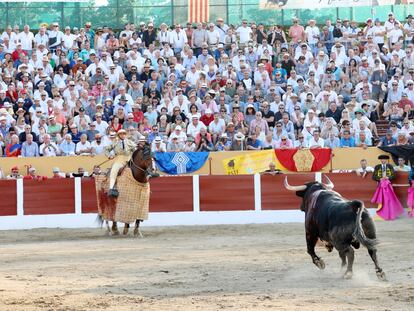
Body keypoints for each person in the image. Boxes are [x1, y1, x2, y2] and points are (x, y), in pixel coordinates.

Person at [104, 129, 136, 197]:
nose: (123, 135)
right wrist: (109, 155)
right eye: (121, 134)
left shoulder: (129, 142)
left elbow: (135, 150)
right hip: (119, 160)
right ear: (118, 135)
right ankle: (111, 188)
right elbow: (106, 149)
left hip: (130, 160)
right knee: (114, 170)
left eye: (124, 134)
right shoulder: (115, 142)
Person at [371, 154, 404, 221]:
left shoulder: (390, 166)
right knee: (382, 199)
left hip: (388, 186)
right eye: (382, 159)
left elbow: (394, 175)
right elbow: (373, 177)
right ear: (380, 160)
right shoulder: (377, 167)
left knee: (389, 200)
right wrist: (380, 178)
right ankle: (382, 214)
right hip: (380, 186)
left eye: (384, 159)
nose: (383, 160)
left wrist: (388, 177)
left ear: (387, 160)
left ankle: (390, 214)